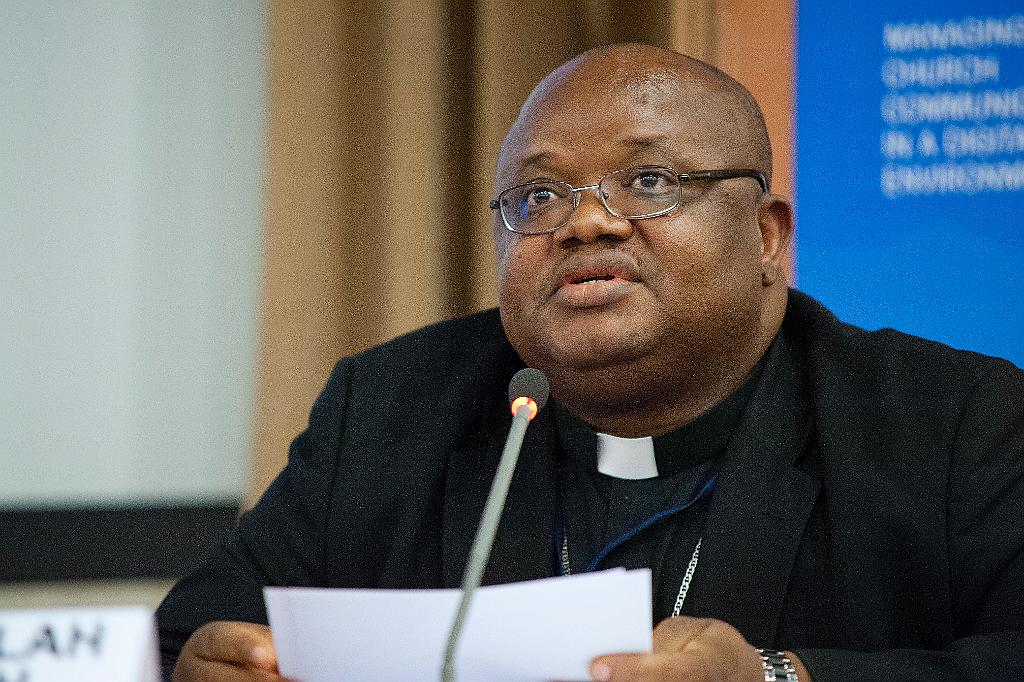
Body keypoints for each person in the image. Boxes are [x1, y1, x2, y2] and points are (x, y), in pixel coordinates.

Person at [157, 44, 1024, 681]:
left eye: (648, 182)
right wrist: (211, 666)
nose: (586, 223)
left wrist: (776, 678)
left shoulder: (952, 422)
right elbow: (183, 641)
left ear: (766, 237)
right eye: (539, 196)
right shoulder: (388, 409)